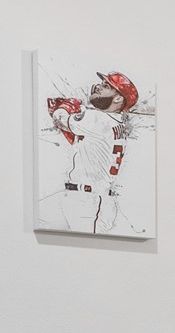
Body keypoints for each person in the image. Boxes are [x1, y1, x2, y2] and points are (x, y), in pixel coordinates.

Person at [38, 96, 132, 234]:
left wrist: (65, 106)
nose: (99, 87)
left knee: (89, 252)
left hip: (90, 203)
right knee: (37, 219)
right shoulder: (113, 122)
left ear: (118, 98)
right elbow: (81, 141)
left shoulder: (99, 118)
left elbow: (60, 117)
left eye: (106, 85)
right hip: (78, 197)